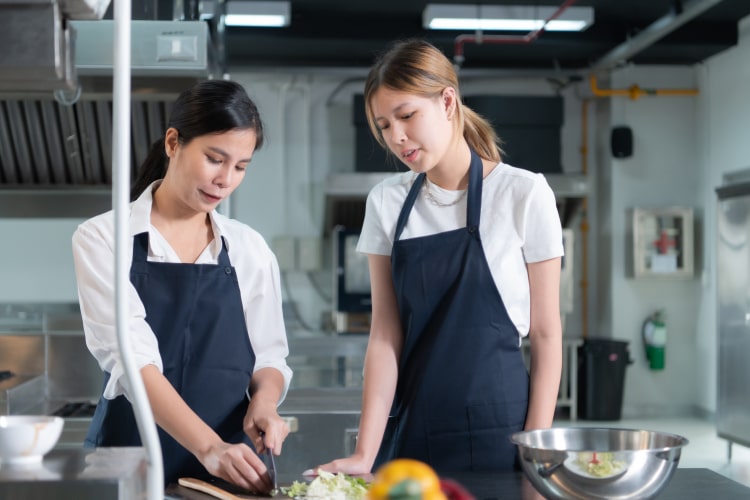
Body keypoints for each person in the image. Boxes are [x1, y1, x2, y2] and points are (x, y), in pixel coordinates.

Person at [316, 39, 563, 475]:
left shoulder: (523, 194)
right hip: (414, 430)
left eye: (407, 116)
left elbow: (545, 336)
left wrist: (534, 450)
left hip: (502, 434)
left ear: (448, 101)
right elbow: (384, 336)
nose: (397, 137)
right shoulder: (386, 203)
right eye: (384, 126)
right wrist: (364, 454)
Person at [72, 79, 292, 492]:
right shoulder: (103, 238)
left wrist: (264, 403)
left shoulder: (248, 248)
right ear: (173, 142)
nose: (226, 179)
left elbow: (270, 356)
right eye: (214, 158)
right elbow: (134, 361)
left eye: (241, 166)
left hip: (230, 466)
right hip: (131, 463)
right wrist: (209, 446)